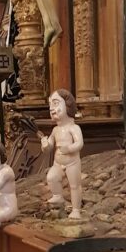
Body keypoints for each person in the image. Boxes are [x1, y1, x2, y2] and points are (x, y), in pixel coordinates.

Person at [41, 89, 84, 220]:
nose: (51, 108)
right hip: (58, 163)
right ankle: (58, 196)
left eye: (55, 103)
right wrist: (45, 145)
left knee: (74, 186)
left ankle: (76, 209)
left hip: (72, 163)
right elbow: (49, 147)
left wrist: (69, 148)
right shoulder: (55, 130)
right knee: (52, 176)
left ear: (68, 105)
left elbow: (79, 143)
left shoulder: (73, 128)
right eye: (50, 105)